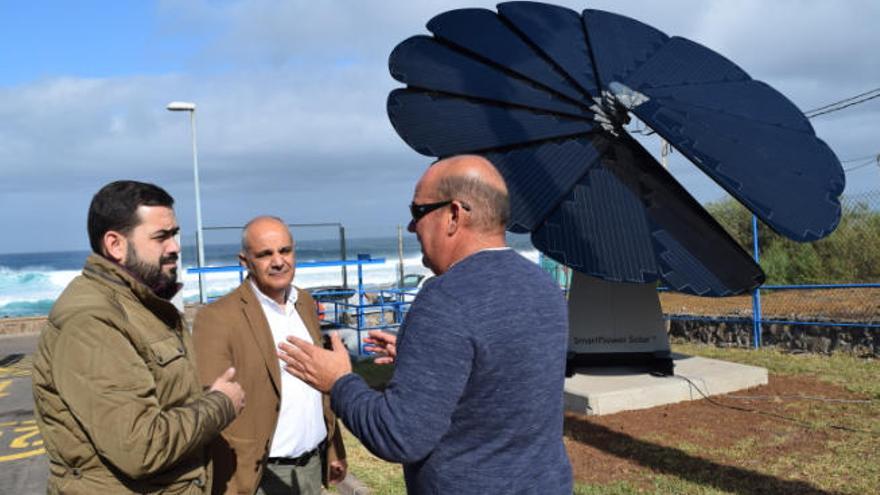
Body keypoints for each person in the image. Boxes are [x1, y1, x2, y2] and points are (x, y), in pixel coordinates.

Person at [278, 155, 573, 494]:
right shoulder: (544, 287)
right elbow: (504, 382)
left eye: (418, 212)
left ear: (453, 215)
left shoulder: (445, 299)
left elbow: (398, 436)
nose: (411, 227)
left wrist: (339, 381)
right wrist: (426, 359)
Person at [32, 180, 246, 494]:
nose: (175, 247)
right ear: (115, 245)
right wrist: (221, 404)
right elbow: (140, 447)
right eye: (161, 237)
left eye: (174, 234)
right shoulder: (93, 322)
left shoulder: (141, 305)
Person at [193, 216, 346, 495]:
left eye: (285, 250)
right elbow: (210, 408)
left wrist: (334, 448)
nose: (278, 261)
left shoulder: (306, 303)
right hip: (258, 477)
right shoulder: (217, 319)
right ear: (244, 260)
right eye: (265, 254)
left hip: (312, 466)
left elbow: (320, 389)